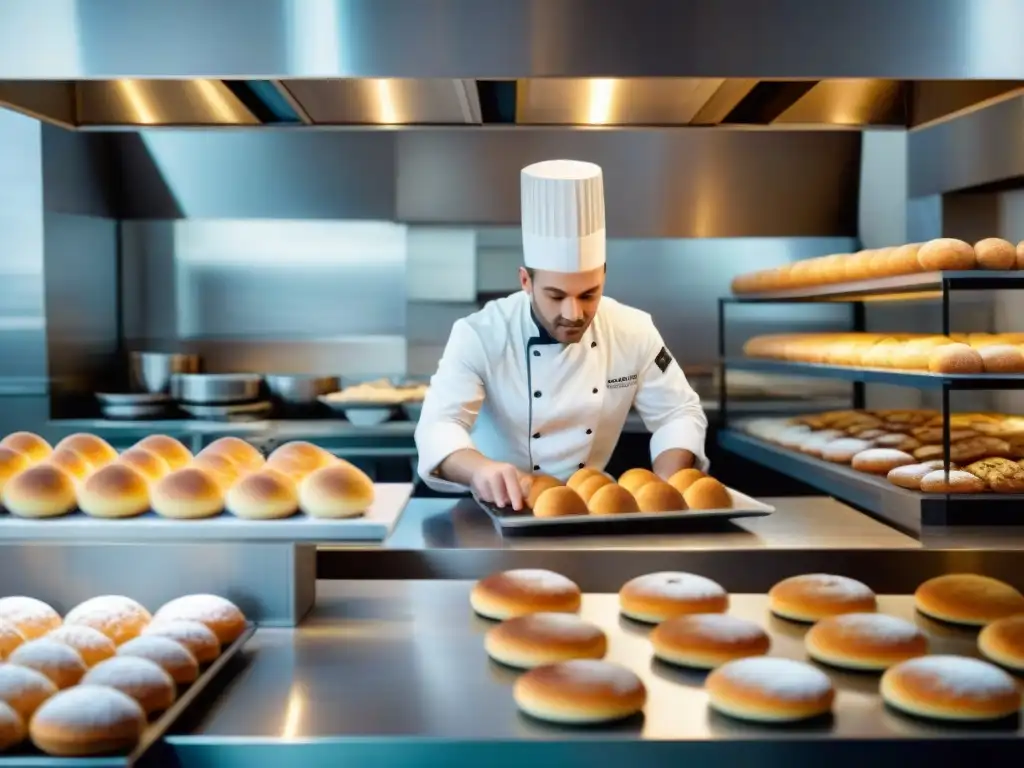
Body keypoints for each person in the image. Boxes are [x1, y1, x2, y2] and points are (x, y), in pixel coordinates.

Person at [414, 159, 708, 509]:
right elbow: (438, 425)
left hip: (594, 510)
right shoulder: (480, 334)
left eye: (589, 294)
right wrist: (480, 471)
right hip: (498, 510)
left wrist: (667, 484)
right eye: (556, 296)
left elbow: (679, 412)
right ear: (526, 281)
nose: (574, 314)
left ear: (604, 275)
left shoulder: (633, 330)